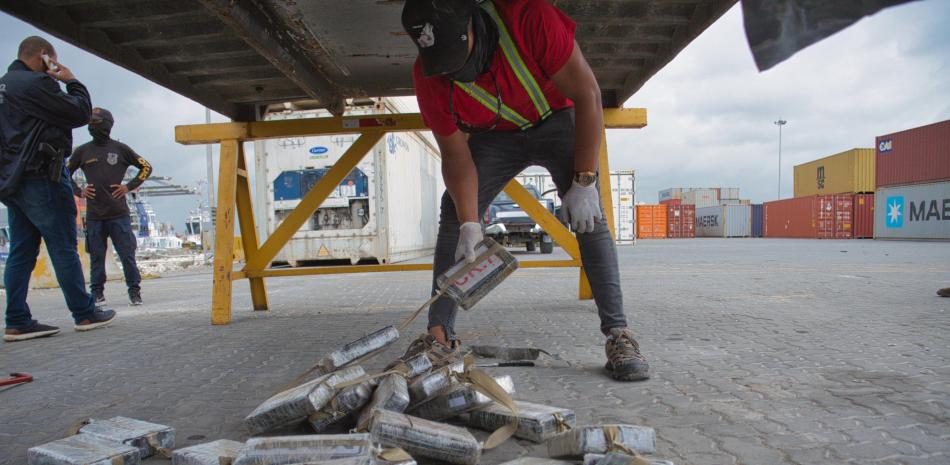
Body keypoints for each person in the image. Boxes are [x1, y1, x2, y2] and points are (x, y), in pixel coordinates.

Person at [399, 0, 649, 380]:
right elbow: (455, 154)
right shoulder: (428, 76)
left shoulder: (527, 16)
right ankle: (439, 337)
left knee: (588, 217)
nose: (453, 71)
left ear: (472, 25)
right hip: (495, 137)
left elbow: (588, 96)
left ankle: (619, 334)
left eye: (457, 56)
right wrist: (470, 223)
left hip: (557, 119)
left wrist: (583, 182)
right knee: (453, 213)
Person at [0, 36, 116, 342]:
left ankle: (16, 320)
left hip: (12, 182)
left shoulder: (4, 86)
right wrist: (71, 80)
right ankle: (85, 312)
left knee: (21, 251)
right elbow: (79, 113)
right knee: (63, 245)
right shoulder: (37, 84)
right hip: (42, 176)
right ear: (44, 57)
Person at [69, 107, 151, 306]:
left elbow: (146, 167)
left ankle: (134, 292)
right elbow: (65, 173)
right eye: (90, 122)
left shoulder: (121, 149)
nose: (91, 126)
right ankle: (97, 293)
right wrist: (79, 191)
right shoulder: (82, 151)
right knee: (97, 258)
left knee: (127, 256)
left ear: (107, 123)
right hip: (95, 216)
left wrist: (128, 187)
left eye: (96, 122)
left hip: (119, 215)